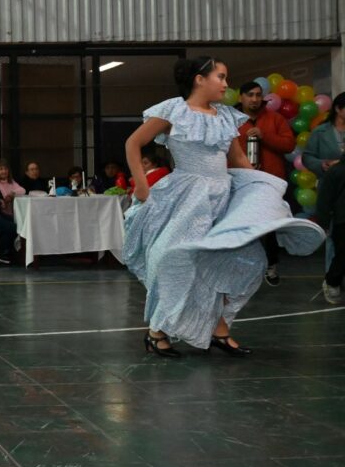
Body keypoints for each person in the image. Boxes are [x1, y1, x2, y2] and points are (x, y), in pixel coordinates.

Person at [123, 56, 323, 358]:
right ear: (199, 79)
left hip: (223, 196)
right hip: (188, 197)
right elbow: (133, 143)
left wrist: (262, 191)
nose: (226, 84)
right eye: (220, 77)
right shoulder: (174, 110)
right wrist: (141, 184)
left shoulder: (226, 116)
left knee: (241, 259)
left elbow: (239, 159)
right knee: (176, 259)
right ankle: (158, 330)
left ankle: (219, 329)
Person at [235, 80, 296, 286]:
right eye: (250, 95)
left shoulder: (275, 118)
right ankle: (242, 268)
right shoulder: (231, 121)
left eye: (258, 95)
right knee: (241, 225)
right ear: (241, 97)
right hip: (241, 181)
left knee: (269, 225)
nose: (254, 99)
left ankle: (271, 265)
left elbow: (289, 145)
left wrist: (265, 136)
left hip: (271, 181)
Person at [315, 157, 345, 305]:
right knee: (343, 254)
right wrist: (323, 222)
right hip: (342, 220)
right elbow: (324, 199)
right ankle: (332, 282)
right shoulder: (336, 171)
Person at [302, 92, 345, 178]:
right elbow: (307, 157)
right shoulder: (320, 131)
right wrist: (322, 164)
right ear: (337, 109)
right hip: (330, 181)